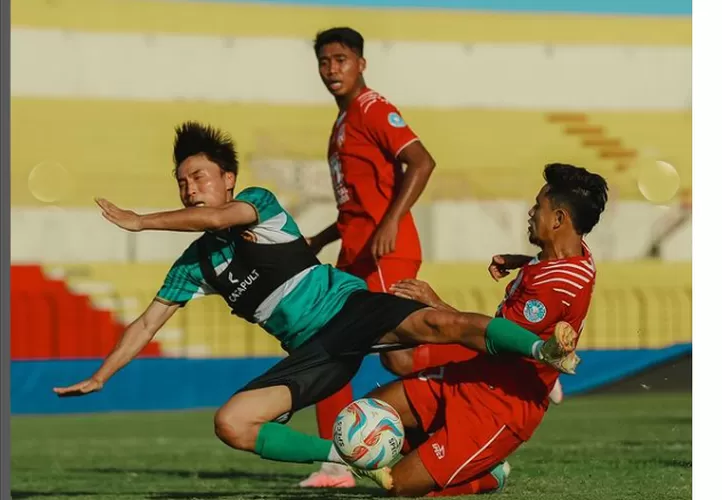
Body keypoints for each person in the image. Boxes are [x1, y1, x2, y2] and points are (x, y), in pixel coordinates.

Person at [52, 123, 580, 476]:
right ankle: (360, 461)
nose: (190, 189)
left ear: (227, 179)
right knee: (232, 423)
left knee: (438, 324)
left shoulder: (255, 204)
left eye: (199, 177)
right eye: (182, 182)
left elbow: (217, 218)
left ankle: (541, 353)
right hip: (314, 353)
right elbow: (146, 324)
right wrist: (103, 375)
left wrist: (140, 221)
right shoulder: (195, 264)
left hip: (349, 308)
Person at [362, 163, 608, 496]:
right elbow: (554, 261)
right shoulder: (570, 256)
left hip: (500, 409)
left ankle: (488, 475)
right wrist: (521, 260)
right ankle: (447, 453)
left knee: (397, 487)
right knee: (367, 413)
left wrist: (435, 304)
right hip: (474, 376)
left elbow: (491, 338)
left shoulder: (555, 287)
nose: (531, 213)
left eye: (538, 206)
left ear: (559, 219)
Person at [302, 26, 438, 487]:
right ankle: (336, 461)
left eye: (341, 59)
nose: (331, 69)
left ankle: (508, 359)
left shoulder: (372, 108)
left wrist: (391, 222)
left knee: (356, 348)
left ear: (361, 63)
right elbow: (355, 206)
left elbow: (422, 161)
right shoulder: (342, 122)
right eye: (324, 61)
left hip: (385, 252)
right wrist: (319, 240)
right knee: (382, 355)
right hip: (356, 254)